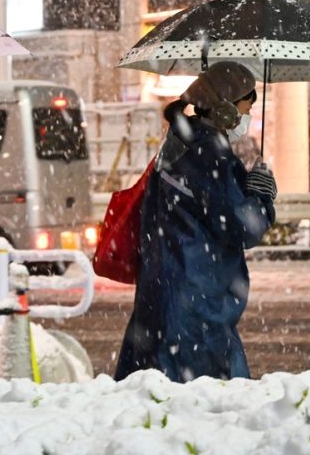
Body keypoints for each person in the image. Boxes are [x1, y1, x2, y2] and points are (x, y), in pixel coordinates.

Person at [114, 62, 276, 383]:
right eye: (246, 108)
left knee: (152, 398)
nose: (248, 117)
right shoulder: (209, 152)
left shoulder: (178, 144)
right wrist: (261, 198)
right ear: (227, 110)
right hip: (197, 305)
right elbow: (241, 226)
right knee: (209, 406)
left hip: (163, 293)